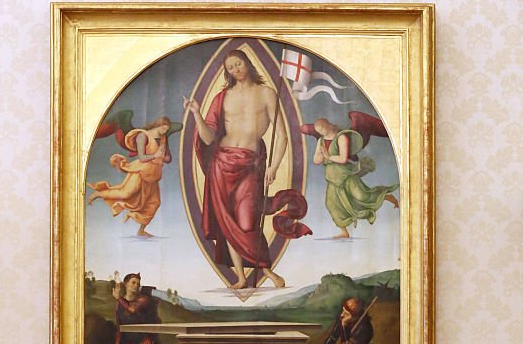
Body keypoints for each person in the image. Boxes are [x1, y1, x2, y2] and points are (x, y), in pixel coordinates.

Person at [185, 49, 287, 290]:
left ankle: (267, 271)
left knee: (247, 221)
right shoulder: (222, 97)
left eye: (238, 64)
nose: (236, 70)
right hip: (221, 164)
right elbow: (209, 138)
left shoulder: (267, 94)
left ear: (248, 63)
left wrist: (274, 166)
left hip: (250, 165)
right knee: (227, 223)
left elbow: (282, 135)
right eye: (230, 68)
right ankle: (241, 277)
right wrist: (197, 114)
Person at [312, 117, 399, 239]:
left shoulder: (341, 137)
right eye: (318, 131)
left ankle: (386, 196)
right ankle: (344, 232)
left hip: (346, 175)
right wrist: (321, 155)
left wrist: (328, 156)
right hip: (332, 177)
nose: (321, 132)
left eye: (321, 128)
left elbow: (343, 159)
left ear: (328, 125)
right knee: (331, 204)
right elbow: (316, 160)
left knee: (361, 196)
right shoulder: (321, 141)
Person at [88, 117, 172, 237]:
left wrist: (165, 157)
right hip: (141, 171)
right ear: (157, 125)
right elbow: (142, 158)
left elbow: (167, 157)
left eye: (166, 130)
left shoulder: (163, 138)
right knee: (125, 194)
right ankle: (98, 194)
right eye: (163, 128)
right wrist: (156, 155)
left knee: (154, 203)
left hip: (153, 175)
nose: (164, 132)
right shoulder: (143, 136)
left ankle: (141, 230)